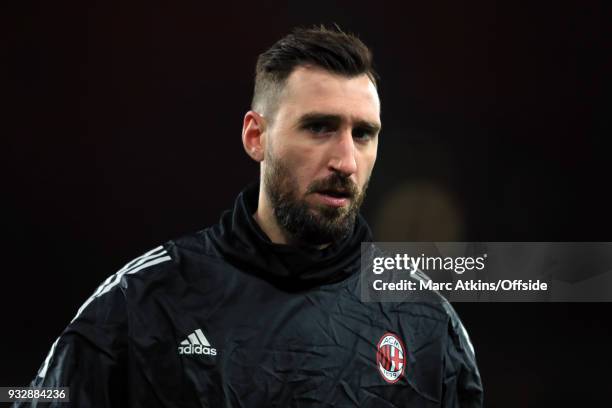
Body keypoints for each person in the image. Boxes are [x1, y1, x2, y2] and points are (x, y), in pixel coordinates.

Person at [17, 26, 483, 407]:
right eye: (319, 127)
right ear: (256, 136)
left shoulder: (424, 320)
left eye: (363, 134)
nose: (346, 160)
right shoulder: (143, 301)